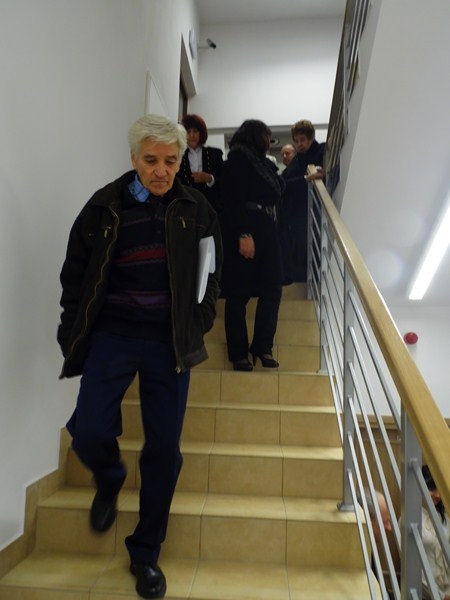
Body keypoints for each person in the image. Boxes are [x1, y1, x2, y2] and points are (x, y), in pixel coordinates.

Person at [57, 114, 222, 600]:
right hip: (113, 335)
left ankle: (145, 553)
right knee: (89, 431)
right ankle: (109, 478)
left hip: (169, 342)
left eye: (170, 161)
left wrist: (200, 319)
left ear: (180, 161)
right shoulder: (104, 206)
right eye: (151, 160)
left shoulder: (197, 208)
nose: (161, 170)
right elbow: (75, 273)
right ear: (134, 159)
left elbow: (212, 273)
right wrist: (71, 329)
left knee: (164, 452)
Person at [220, 119, 285, 371]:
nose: (269, 141)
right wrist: (244, 233)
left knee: (273, 287)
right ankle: (238, 352)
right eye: (266, 136)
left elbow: (278, 191)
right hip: (246, 226)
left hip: (268, 228)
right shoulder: (237, 160)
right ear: (256, 136)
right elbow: (232, 200)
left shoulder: (265, 164)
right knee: (238, 292)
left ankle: (262, 346)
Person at [280, 119, 325, 284]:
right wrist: (305, 179)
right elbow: (282, 183)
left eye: (303, 140)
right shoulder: (296, 160)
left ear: (311, 138)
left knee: (311, 248)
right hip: (296, 215)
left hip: (313, 212)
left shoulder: (321, 151)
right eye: (297, 141)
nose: (299, 144)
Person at [179, 113, 224, 213]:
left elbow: (224, 182)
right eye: (188, 132)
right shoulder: (179, 156)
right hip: (187, 208)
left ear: (202, 132)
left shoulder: (215, 154)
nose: (192, 135)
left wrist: (210, 179)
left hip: (212, 207)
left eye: (195, 131)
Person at [421, 465, 450, 600]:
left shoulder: (445, 516)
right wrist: (441, 596)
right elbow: (413, 567)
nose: (438, 495)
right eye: (432, 488)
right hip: (427, 594)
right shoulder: (410, 519)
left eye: (439, 489)